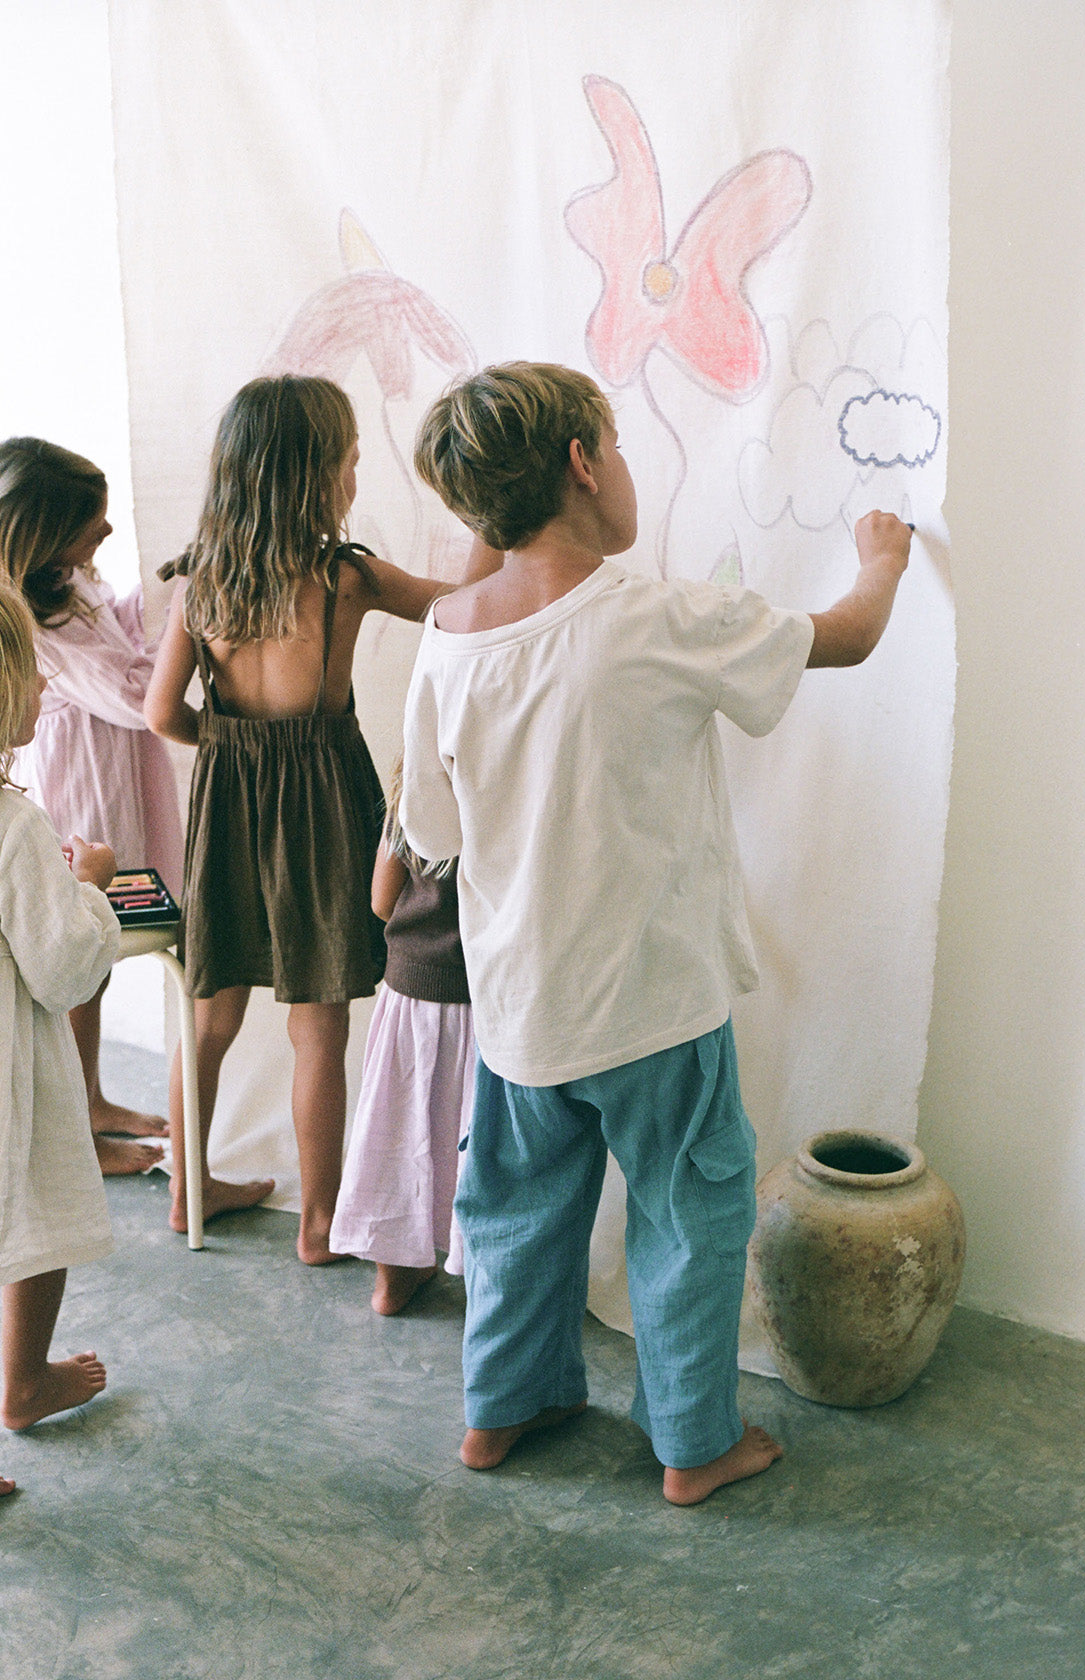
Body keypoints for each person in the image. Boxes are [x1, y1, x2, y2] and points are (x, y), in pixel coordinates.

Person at [401, 361, 911, 1504]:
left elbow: (429, 825)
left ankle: (499, 1409)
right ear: (583, 464)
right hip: (650, 1002)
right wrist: (881, 560)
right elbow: (842, 638)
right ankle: (692, 1444)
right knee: (689, 1214)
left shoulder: (446, 635)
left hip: (522, 1008)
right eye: (618, 446)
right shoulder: (655, 616)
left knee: (515, 1215)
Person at [145, 375, 499, 1264]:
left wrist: (227, 748)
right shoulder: (344, 577)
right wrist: (497, 527)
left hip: (229, 810)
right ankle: (317, 1224)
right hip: (324, 811)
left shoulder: (202, 583)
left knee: (208, 1015)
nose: (355, 474)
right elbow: (459, 609)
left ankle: (188, 1191)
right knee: (318, 1026)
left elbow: (160, 714)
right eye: (346, 460)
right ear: (312, 477)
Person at [0, 437, 183, 1176]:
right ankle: (78, 1118)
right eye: (90, 523)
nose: (106, 533)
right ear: (41, 531)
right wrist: (185, 627)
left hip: (119, 774)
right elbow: (136, 694)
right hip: (88, 785)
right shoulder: (28, 619)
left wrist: (163, 592)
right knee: (82, 940)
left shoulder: (67, 584)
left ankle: (92, 1096)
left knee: (98, 956)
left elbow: (120, 630)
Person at [0, 583, 120, 1495]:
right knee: (33, 1221)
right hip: (12, 1087)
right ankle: (24, 1379)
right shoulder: (16, 827)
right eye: (29, 662)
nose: (46, 678)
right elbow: (64, 969)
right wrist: (94, 889)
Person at [330, 760, 473, 1313]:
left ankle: (393, 1279)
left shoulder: (412, 792)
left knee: (396, 1129)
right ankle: (476, 1266)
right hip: (480, 999)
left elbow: (381, 899)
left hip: (409, 992)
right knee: (468, 1135)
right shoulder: (510, 792)